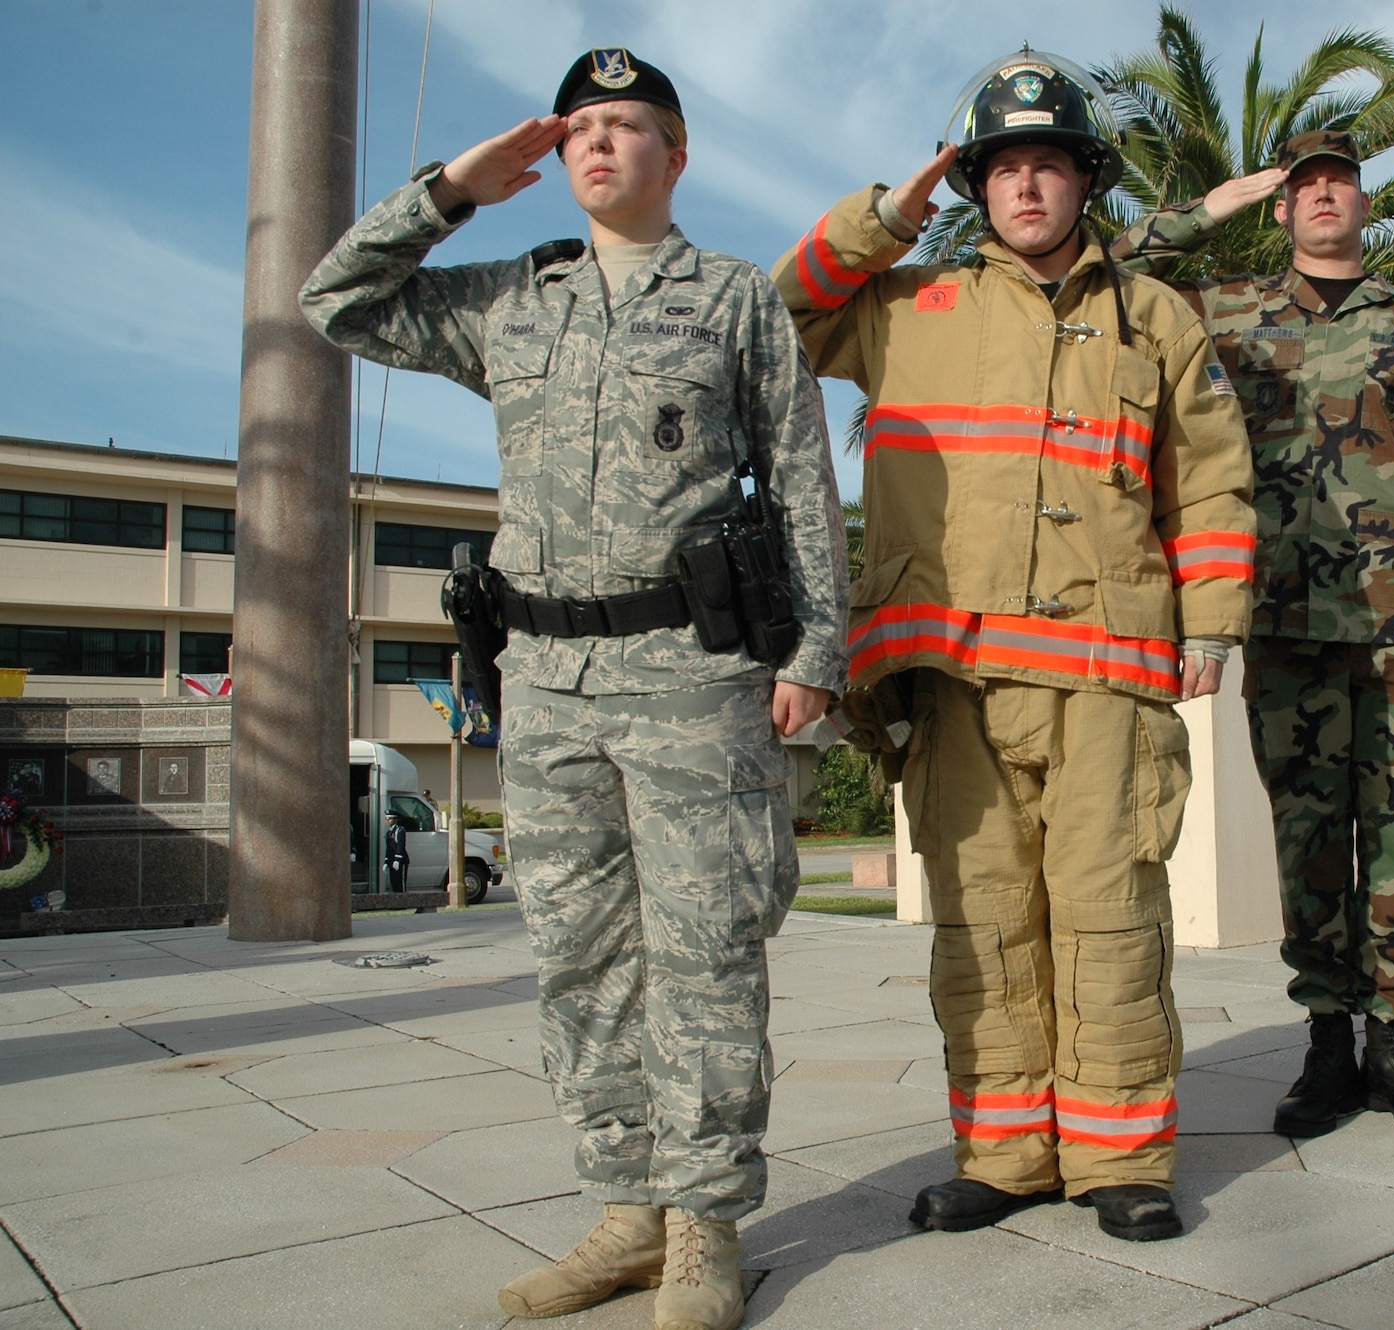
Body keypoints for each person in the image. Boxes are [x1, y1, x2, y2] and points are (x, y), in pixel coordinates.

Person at [301, 48, 846, 1330]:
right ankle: (625, 1210)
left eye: (629, 126)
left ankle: (706, 1223)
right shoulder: (511, 301)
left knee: (705, 952)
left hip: (694, 677)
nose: (600, 147)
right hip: (542, 681)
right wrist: (449, 191)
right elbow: (335, 301)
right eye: (581, 129)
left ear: (676, 153)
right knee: (579, 957)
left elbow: (799, 472)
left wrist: (815, 650)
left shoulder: (728, 299)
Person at [774, 51, 1254, 1242]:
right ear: (973, 187)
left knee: (1108, 912)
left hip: (1106, 669)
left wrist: (1210, 627)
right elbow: (774, 314)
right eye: (1003, 166)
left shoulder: (1155, 318)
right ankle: (1001, 1153)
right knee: (981, 921)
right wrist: (880, 220)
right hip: (951, 679)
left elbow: (1209, 482)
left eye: (1048, 162)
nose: (1026, 185)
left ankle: (1118, 1160)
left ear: (1084, 181)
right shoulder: (904, 310)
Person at [1112, 131, 1394, 1139]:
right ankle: (1327, 1041)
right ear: (1281, 210)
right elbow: (1101, 272)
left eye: (1339, 182)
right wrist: (1207, 210)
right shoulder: (1224, 310)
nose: (1323, 195)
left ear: (1363, 207)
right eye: (1303, 186)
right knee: (1307, 839)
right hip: (1280, 616)